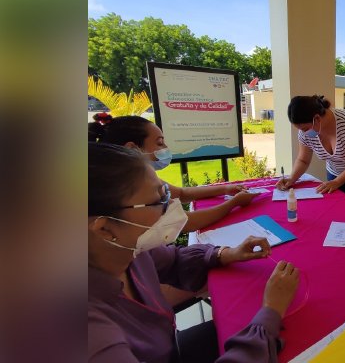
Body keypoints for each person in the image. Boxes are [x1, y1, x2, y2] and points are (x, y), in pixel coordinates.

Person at [88, 142, 300, 362]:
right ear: (104, 228)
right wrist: (270, 313)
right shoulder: (89, 336)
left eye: (166, 193)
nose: (171, 206)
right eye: (158, 200)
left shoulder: (131, 250)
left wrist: (227, 253)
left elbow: (174, 260)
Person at [89, 115, 257, 233]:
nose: (165, 149)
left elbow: (181, 193)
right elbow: (184, 222)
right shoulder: (132, 191)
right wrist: (233, 203)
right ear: (132, 149)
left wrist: (225, 189)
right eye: (159, 143)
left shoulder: (140, 179)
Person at [276, 95, 345, 201]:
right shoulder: (304, 132)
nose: (303, 133)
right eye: (300, 129)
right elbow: (303, 160)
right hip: (334, 171)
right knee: (336, 205)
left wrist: (337, 182)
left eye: (305, 129)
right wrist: (292, 178)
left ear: (316, 118)